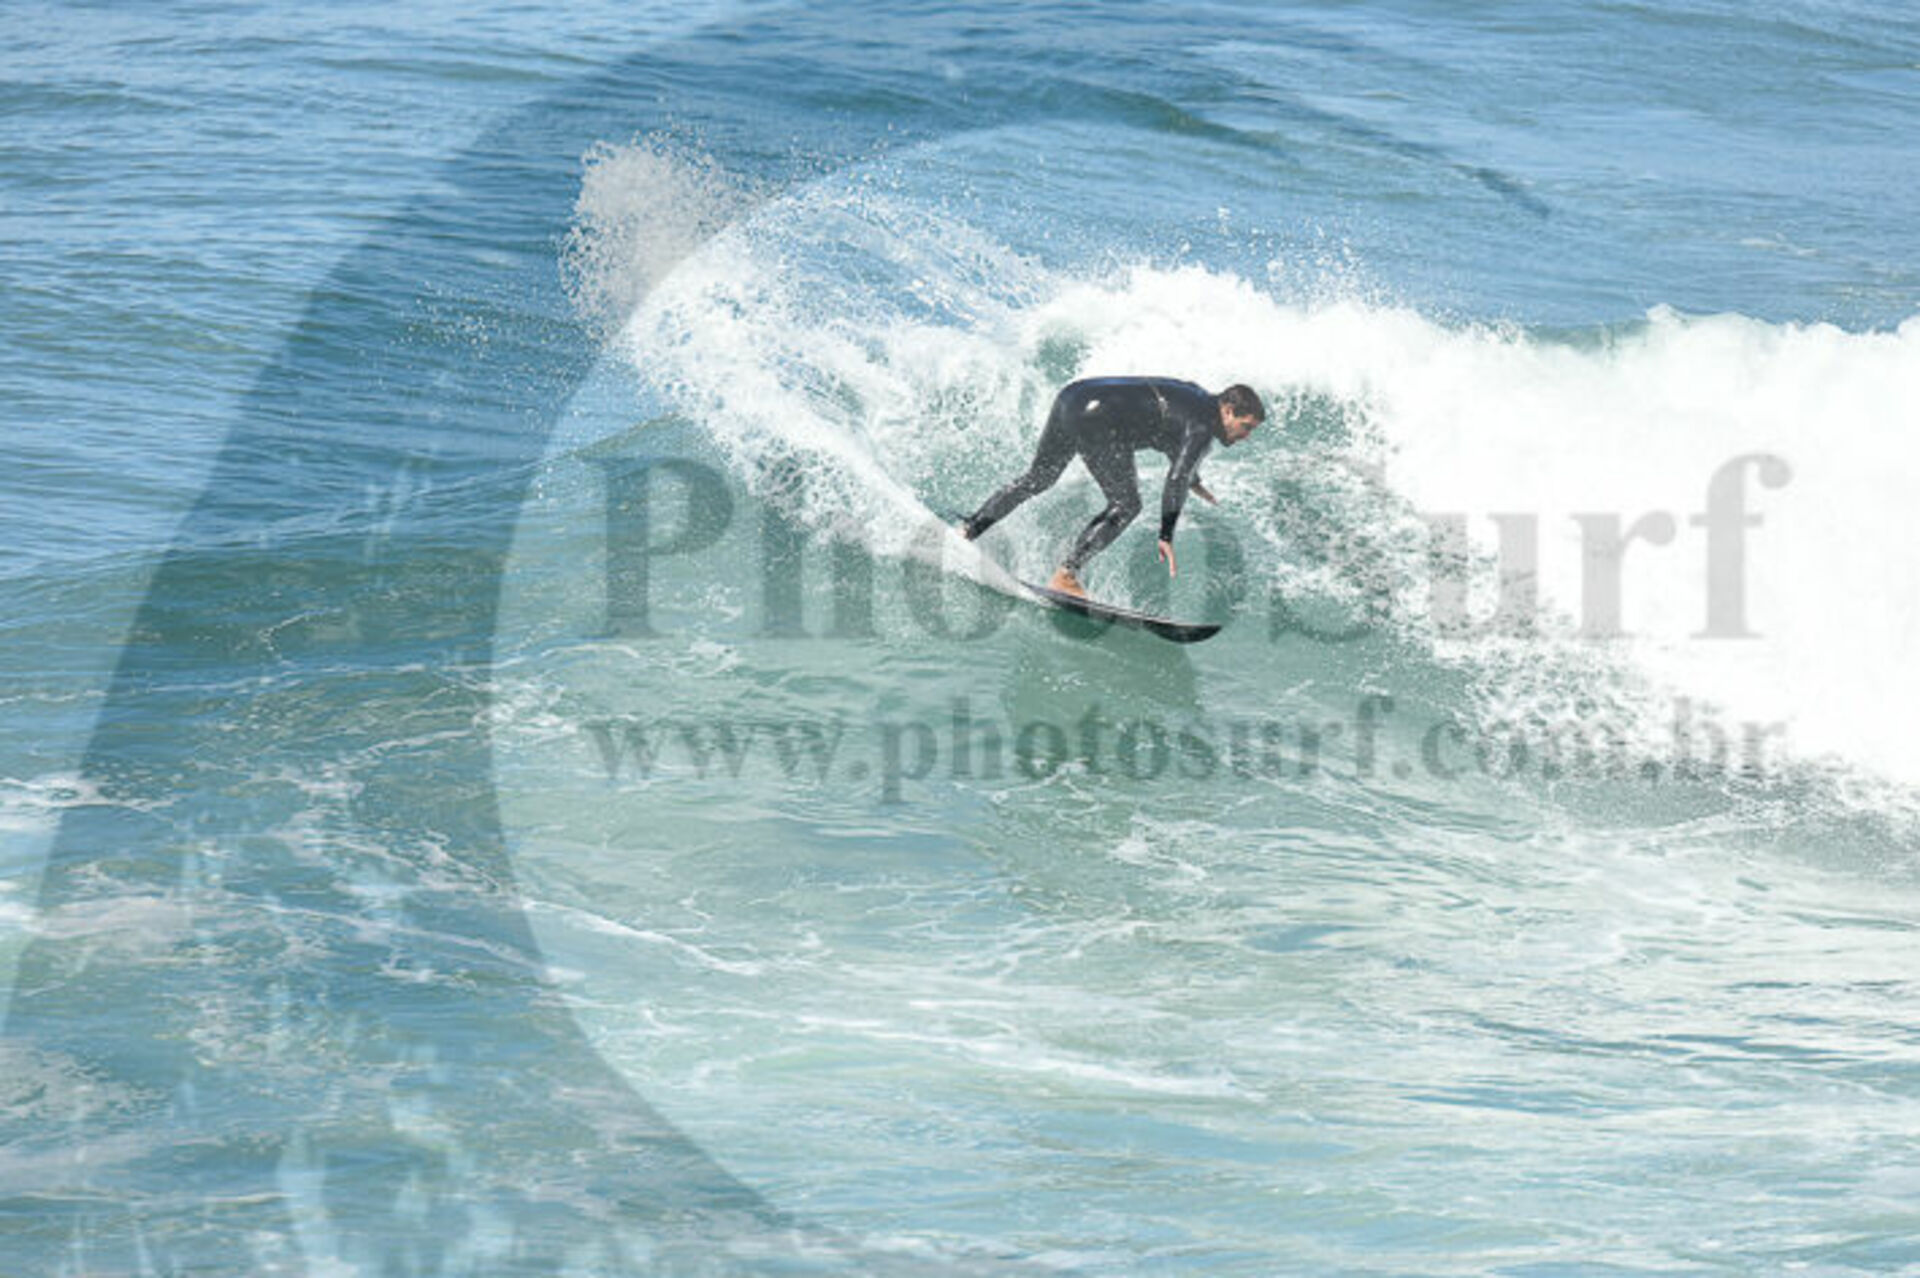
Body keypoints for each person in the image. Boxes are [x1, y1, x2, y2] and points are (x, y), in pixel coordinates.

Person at [958, 377, 1266, 598]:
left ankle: (969, 530)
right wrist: (1166, 534)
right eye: (1246, 426)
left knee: (1038, 478)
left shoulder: (1195, 396)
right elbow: (1176, 477)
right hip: (1100, 419)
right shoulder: (1202, 426)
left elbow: (1173, 441)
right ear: (1228, 410)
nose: (1246, 435)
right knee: (1127, 505)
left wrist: (1193, 481)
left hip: (1072, 397)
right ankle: (1066, 575)